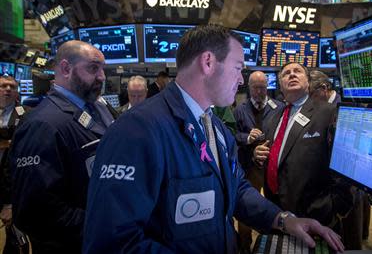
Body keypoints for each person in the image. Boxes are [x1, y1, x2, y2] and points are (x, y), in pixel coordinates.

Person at [83, 25, 344, 254]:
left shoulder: (215, 126)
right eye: (238, 68)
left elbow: (237, 188)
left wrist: (282, 219)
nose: (241, 80)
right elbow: (113, 242)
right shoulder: (136, 131)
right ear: (208, 62)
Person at [9, 40, 115, 254]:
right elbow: (34, 212)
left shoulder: (100, 109)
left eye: (102, 69)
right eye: (94, 68)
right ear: (66, 68)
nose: (102, 76)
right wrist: (102, 224)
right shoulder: (42, 125)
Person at [254, 62, 353, 229]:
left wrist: (333, 209)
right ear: (280, 84)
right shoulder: (273, 117)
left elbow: (345, 165)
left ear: (307, 82)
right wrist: (257, 155)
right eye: (286, 73)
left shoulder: (328, 112)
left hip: (315, 216)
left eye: (297, 71)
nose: (292, 75)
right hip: (277, 213)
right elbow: (277, 155)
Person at [233, 71, 283, 253]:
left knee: (275, 208)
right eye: (256, 87)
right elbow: (233, 136)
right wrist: (247, 138)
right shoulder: (240, 109)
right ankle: (245, 247)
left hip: (272, 167)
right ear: (249, 87)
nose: (260, 91)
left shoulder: (279, 107)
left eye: (263, 87)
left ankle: (272, 245)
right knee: (246, 208)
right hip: (250, 167)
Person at [0, 76, 29, 254]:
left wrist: (10, 203)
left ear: (17, 92)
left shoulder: (26, 114)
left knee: (16, 241)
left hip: (11, 185)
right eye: (3, 86)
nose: (8, 89)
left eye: (12, 86)